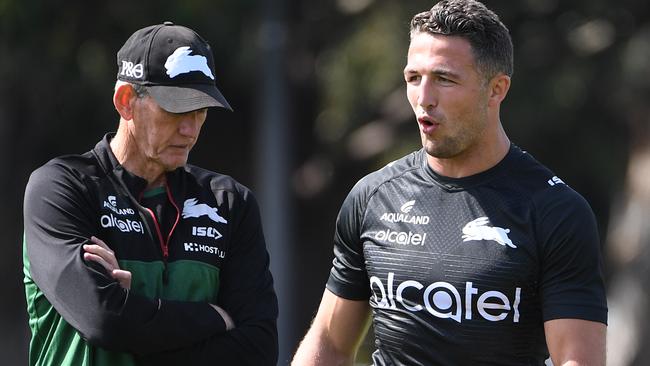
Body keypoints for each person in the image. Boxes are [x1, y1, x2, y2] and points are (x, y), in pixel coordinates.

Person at [291, 1, 607, 365]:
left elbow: (577, 360)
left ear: (496, 89)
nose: (424, 99)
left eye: (444, 79)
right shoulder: (373, 197)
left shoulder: (555, 212)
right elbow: (330, 343)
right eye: (414, 78)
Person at [23, 22, 278, 365]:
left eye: (200, 111)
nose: (190, 130)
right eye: (176, 110)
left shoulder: (230, 203)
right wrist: (215, 318)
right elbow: (103, 320)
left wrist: (135, 317)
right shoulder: (60, 188)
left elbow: (258, 349)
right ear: (126, 102)